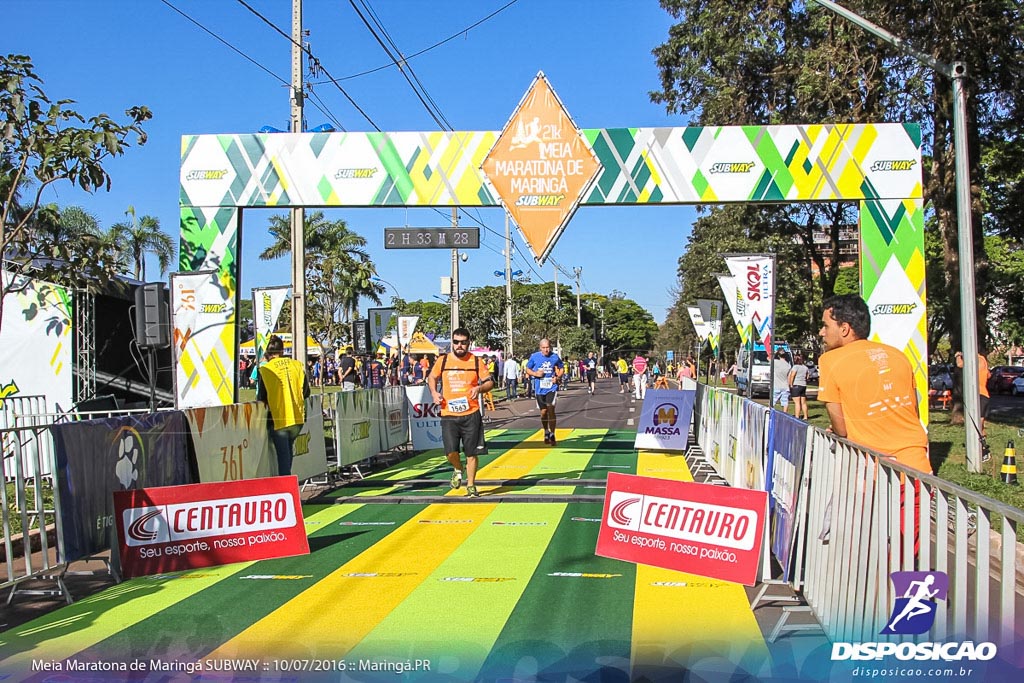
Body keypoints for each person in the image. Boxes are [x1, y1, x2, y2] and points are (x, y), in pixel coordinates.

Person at [818, 294, 929, 474]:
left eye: (825, 326)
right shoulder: (899, 356)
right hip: (916, 467)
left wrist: (838, 431)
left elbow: (841, 428)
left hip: (873, 471)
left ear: (844, 329)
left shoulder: (829, 361)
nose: (822, 332)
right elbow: (913, 410)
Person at [427, 327, 493, 498]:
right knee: (451, 452)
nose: (459, 345)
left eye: (463, 343)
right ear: (452, 343)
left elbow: (489, 382)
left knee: (472, 452)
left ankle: (471, 485)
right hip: (449, 413)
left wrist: (479, 388)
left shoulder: (476, 361)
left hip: (471, 413)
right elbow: (432, 377)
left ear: (468, 343)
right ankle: (458, 468)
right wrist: (434, 393)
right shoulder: (443, 361)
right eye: (456, 342)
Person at [257, 335, 310, 477]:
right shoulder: (297, 365)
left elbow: (261, 397)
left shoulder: (266, 370)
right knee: (287, 453)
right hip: (297, 417)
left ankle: (285, 489)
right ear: (283, 350)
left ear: (267, 353)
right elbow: (306, 391)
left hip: (278, 417)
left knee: (283, 457)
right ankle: (286, 485)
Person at [525, 338, 565, 445]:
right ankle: (546, 431)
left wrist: (557, 377)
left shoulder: (554, 356)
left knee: (551, 408)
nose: (546, 350)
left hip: (551, 387)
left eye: (547, 347)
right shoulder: (534, 357)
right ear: (540, 348)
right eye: (544, 348)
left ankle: (552, 433)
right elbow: (527, 369)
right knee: (543, 412)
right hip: (539, 388)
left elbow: (561, 368)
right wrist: (535, 374)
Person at [955, 348, 992, 461]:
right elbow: (989, 375)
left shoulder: (975, 359)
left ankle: (983, 451)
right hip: (984, 395)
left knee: (976, 424)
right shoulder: (983, 360)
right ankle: (981, 448)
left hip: (979, 395)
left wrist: (958, 355)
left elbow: (960, 364)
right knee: (980, 424)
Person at [788, 353, 809, 420]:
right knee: (803, 402)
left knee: (797, 402)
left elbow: (792, 375)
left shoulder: (795, 367)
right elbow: (807, 377)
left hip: (796, 385)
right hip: (803, 385)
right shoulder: (805, 367)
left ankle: (797, 416)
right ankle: (805, 416)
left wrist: (791, 384)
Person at [771, 349, 792, 413]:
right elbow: (789, 376)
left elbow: (768, 358)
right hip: (785, 386)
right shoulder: (788, 365)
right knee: (785, 402)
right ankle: (785, 414)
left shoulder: (775, 362)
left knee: (772, 402)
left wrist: (774, 354)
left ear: (778, 355)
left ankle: (771, 413)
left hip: (776, 385)